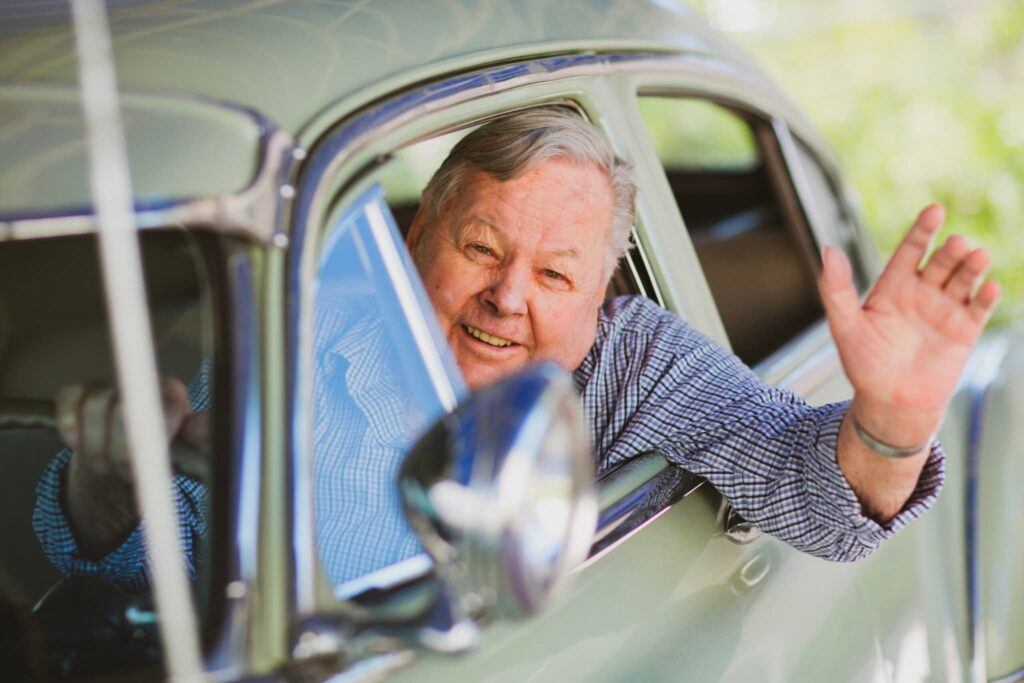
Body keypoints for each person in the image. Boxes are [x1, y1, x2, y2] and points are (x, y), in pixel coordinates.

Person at [34, 107, 1000, 590]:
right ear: (419, 244)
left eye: (554, 276)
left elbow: (812, 495)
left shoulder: (632, 359)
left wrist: (895, 419)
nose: (506, 296)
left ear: (599, 296)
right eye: (481, 248)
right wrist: (108, 488)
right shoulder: (306, 340)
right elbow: (150, 577)